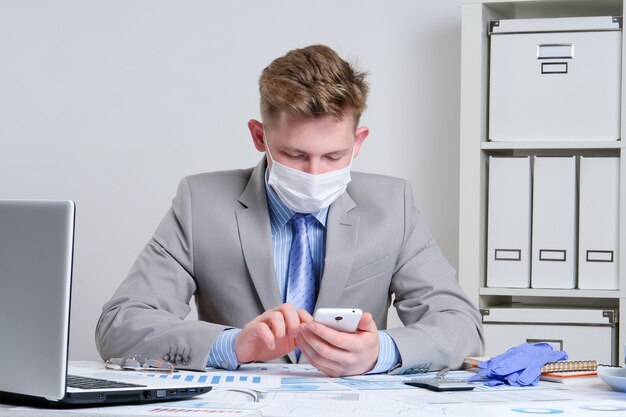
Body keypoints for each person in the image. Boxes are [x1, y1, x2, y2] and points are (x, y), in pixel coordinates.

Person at [96, 44, 484, 377]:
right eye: (294, 155)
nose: (315, 174)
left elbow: (462, 326)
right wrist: (231, 345)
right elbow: (119, 326)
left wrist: (381, 352)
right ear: (259, 136)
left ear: (358, 141)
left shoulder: (393, 205)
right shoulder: (201, 202)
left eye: (334, 155)